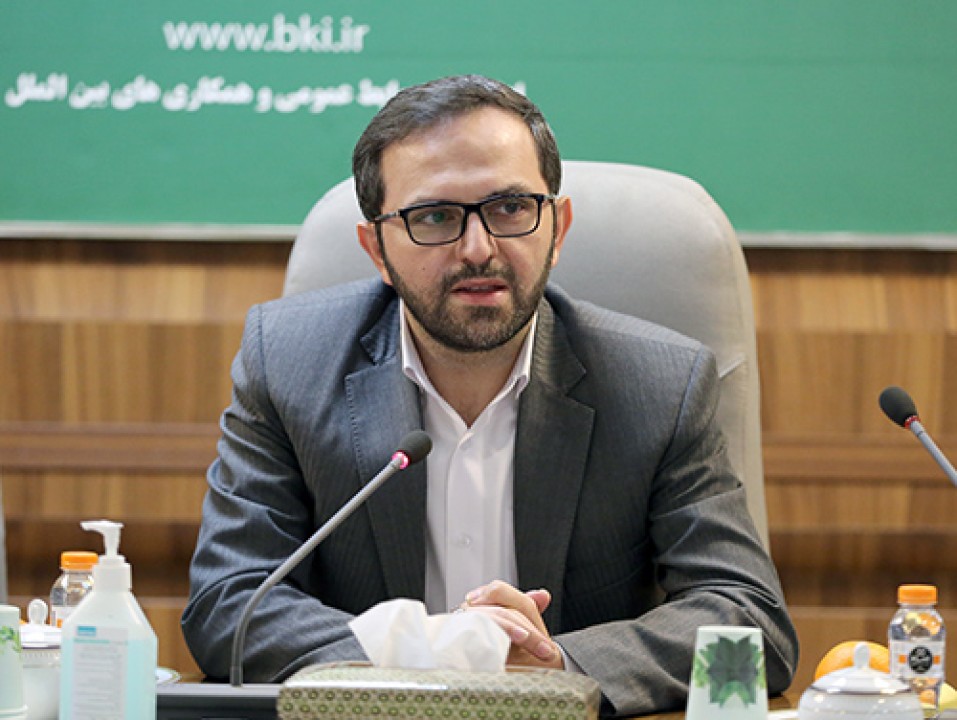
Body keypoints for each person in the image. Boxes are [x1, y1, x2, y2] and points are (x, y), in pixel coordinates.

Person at [183, 74, 798, 716]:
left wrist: (558, 666)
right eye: (434, 217)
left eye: (510, 209)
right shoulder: (287, 364)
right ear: (377, 250)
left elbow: (749, 622)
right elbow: (230, 604)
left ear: (557, 229)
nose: (479, 250)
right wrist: (433, 651)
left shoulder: (658, 386)